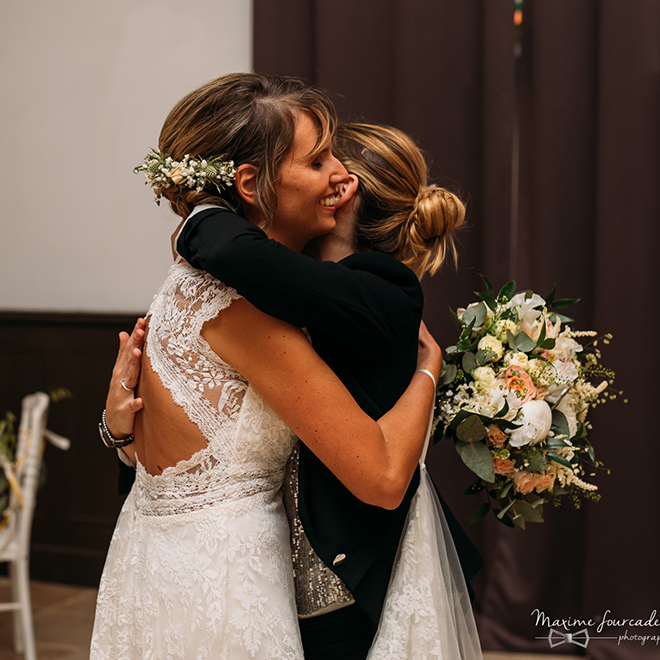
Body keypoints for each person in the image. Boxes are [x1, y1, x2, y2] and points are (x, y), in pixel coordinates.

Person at [89, 73, 444, 660]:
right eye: (318, 158)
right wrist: (429, 369)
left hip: (150, 566)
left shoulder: (182, 286)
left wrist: (116, 430)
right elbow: (380, 477)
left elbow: (165, 457)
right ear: (252, 184)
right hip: (228, 584)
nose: (341, 174)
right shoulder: (244, 308)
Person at [168, 121, 483, 658]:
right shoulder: (292, 286)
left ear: (341, 191)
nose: (321, 172)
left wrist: (196, 213)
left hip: (346, 576)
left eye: (324, 164)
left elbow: (231, 250)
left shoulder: (385, 288)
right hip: (265, 566)